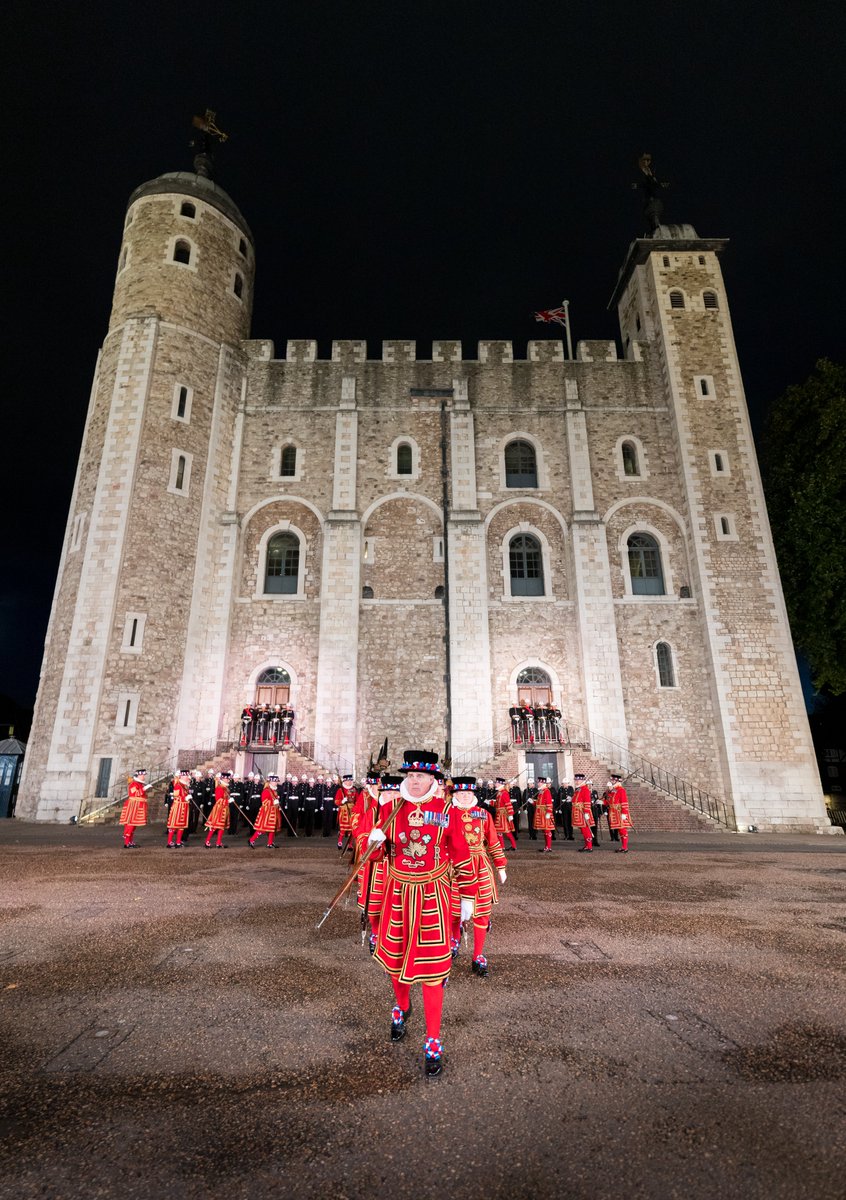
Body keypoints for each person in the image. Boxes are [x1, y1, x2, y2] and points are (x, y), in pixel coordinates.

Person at [366, 750, 475, 1079]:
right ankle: (401, 1006)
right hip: (397, 893)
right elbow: (377, 853)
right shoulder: (389, 808)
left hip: (433, 895)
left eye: (421, 776)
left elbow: (460, 851)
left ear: (433, 780)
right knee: (396, 962)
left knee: (433, 971)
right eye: (410, 776)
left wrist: (468, 894)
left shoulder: (447, 810)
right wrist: (373, 843)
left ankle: (432, 1040)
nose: (414, 781)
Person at [448, 776, 508, 978]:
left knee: (481, 911)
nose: (465, 797)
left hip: (480, 865)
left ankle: (478, 955)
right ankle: (453, 942)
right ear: (455, 795)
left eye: (468, 793)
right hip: (454, 866)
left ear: (473, 794)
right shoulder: (445, 814)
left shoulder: (483, 814)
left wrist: (501, 865)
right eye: (461, 793)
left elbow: (492, 841)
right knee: (453, 909)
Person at [249, 774, 282, 848]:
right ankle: (252, 840)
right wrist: (273, 802)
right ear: (271, 782)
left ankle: (270, 843)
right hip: (267, 812)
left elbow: (275, 800)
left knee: (272, 828)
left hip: (274, 811)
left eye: (277, 782)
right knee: (263, 828)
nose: (276, 783)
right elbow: (264, 802)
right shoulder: (266, 791)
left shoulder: (274, 791)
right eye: (275, 782)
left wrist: (277, 803)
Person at [120, 769, 149, 848]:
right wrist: (144, 789)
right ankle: (127, 843)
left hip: (138, 805)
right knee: (131, 824)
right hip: (133, 805)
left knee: (134, 825)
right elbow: (135, 793)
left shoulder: (139, 784)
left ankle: (130, 842)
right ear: (138, 776)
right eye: (142, 775)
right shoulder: (133, 784)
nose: (144, 777)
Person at [606, 774, 633, 853]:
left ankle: (625, 847)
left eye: (613, 780)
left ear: (617, 781)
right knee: (620, 830)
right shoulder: (613, 790)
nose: (611, 781)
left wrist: (624, 813)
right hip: (614, 812)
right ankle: (623, 847)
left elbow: (624, 802)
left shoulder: (621, 790)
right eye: (611, 780)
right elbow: (610, 801)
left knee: (622, 830)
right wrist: (603, 801)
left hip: (620, 812)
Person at [204, 771, 232, 848]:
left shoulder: (225, 788)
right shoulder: (220, 788)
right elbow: (218, 800)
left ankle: (218, 843)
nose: (229, 780)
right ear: (224, 779)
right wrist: (228, 801)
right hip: (219, 809)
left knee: (221, 827)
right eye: (228, 779)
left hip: (224, 809)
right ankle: (207, 842)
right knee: (214, 826)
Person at [166, 769, 191, 847]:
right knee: (174, 825)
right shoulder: (177, 785)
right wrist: (185, 798)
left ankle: (178, 842)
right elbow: (176, 797)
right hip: (178, 808)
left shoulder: (184, 786)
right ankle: (169, 842)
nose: (188, 778)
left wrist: (187, 799)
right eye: (186, 776)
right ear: (182, 776)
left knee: (181, 826)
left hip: (184, 807)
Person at [572, 773, 595, 852]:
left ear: (582, 780)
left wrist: (586, 812)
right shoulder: (579, 789)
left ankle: (589, 847)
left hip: (583, 812)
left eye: (578, 780)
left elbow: (587, 802)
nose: (576, 781)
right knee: (583, 829)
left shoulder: (585, 789)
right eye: (576, 780)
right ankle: (586, 845)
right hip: (578, 812)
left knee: (586, 829)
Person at [335, 774, 358, 851]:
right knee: (343, 828)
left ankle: (350, 844)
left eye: (350, 781)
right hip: (344, 811)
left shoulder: (354, 789)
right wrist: (342, 801)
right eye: (348, 781)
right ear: (345, 781)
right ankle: (340, 842)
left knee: (351, 828)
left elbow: (357, 800)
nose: (349, 782)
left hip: (352, 811)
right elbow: (336, 801)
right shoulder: (340, 790)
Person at [494, 776, 517, 851]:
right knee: (499, 831)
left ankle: (513, 845)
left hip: (503, 815)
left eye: (496, 783)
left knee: (507, 831)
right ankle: (502, 846)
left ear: (500, 784)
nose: (495, 784)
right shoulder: (499, 792)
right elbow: (497, 804)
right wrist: (490, 802)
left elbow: (508, 804)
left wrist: (510, 814)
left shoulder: (504, 793)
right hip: (499, 814)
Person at [533, 776, 555, 853]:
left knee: (547, 830)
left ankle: (549, 847)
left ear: (542, 783)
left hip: (545, 813)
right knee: (545, 831)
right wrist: (533, 802)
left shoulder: (546, 791)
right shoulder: (541, 791)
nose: (538, 784)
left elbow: (549, 803)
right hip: (541, 813)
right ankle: (546, 846)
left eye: (539, 782)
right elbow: (539, 803)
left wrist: (548, 812)